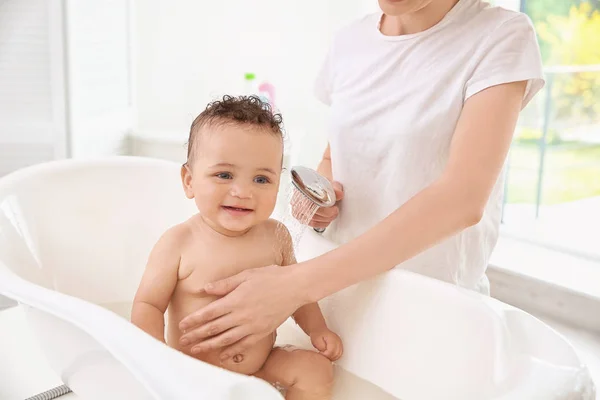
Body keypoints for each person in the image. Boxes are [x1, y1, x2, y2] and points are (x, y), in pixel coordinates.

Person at [176, 0, 545, 362]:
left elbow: (461, 200)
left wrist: (294, 286)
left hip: (426, 306)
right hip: (337, 299)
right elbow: (337, 154)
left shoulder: (498, 36)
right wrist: (322, 196)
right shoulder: (350, 41)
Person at [130, 95, 343, 400]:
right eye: (224, 175)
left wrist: (317, 329)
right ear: (189, 180)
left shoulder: (277, 236)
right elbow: (147, 305)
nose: (243, 192)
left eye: (261, 179)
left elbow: (298, 294)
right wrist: (158, 357)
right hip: (194, 374)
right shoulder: (178, 242)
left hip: (260, 365)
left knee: (316, 370)